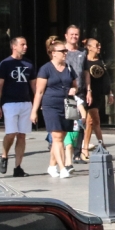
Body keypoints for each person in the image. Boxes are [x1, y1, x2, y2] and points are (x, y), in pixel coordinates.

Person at [31, 37, 77, 178]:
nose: (65, 53)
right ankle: (63, 168)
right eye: (62, 51)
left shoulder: (69, 68)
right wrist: (34, 111)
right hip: (51, 104)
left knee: (62, 137)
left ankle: (52, 166)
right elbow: (39, 91)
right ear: (53, 53)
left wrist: (74, 89)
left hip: (68, 104)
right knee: (56, 137)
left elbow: (75, 84)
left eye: (65, 51)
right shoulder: (46, 69)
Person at [0, 36, 33, 177]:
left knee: (22, 135)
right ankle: (4, 155)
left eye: (26, 44)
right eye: (22, 44)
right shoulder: (5, 64)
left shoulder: (29, 64)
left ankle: (18, 167)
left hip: (26, 102)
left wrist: (36, 105)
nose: (25, 46)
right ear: (14, 46)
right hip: (9, 103)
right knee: (11, 133)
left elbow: (33, 85)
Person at [80, 38, 109, 160]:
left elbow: (106, 78)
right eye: (96, 45)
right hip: (87, 94)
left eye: (99, 44)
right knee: (92, 121)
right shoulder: (84, 61)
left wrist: (110, 93)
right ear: (89, 47)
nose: (99, 47)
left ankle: (93, 146)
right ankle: (87, 148)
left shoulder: (100, 60)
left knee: (92, 122)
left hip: (98, 94)